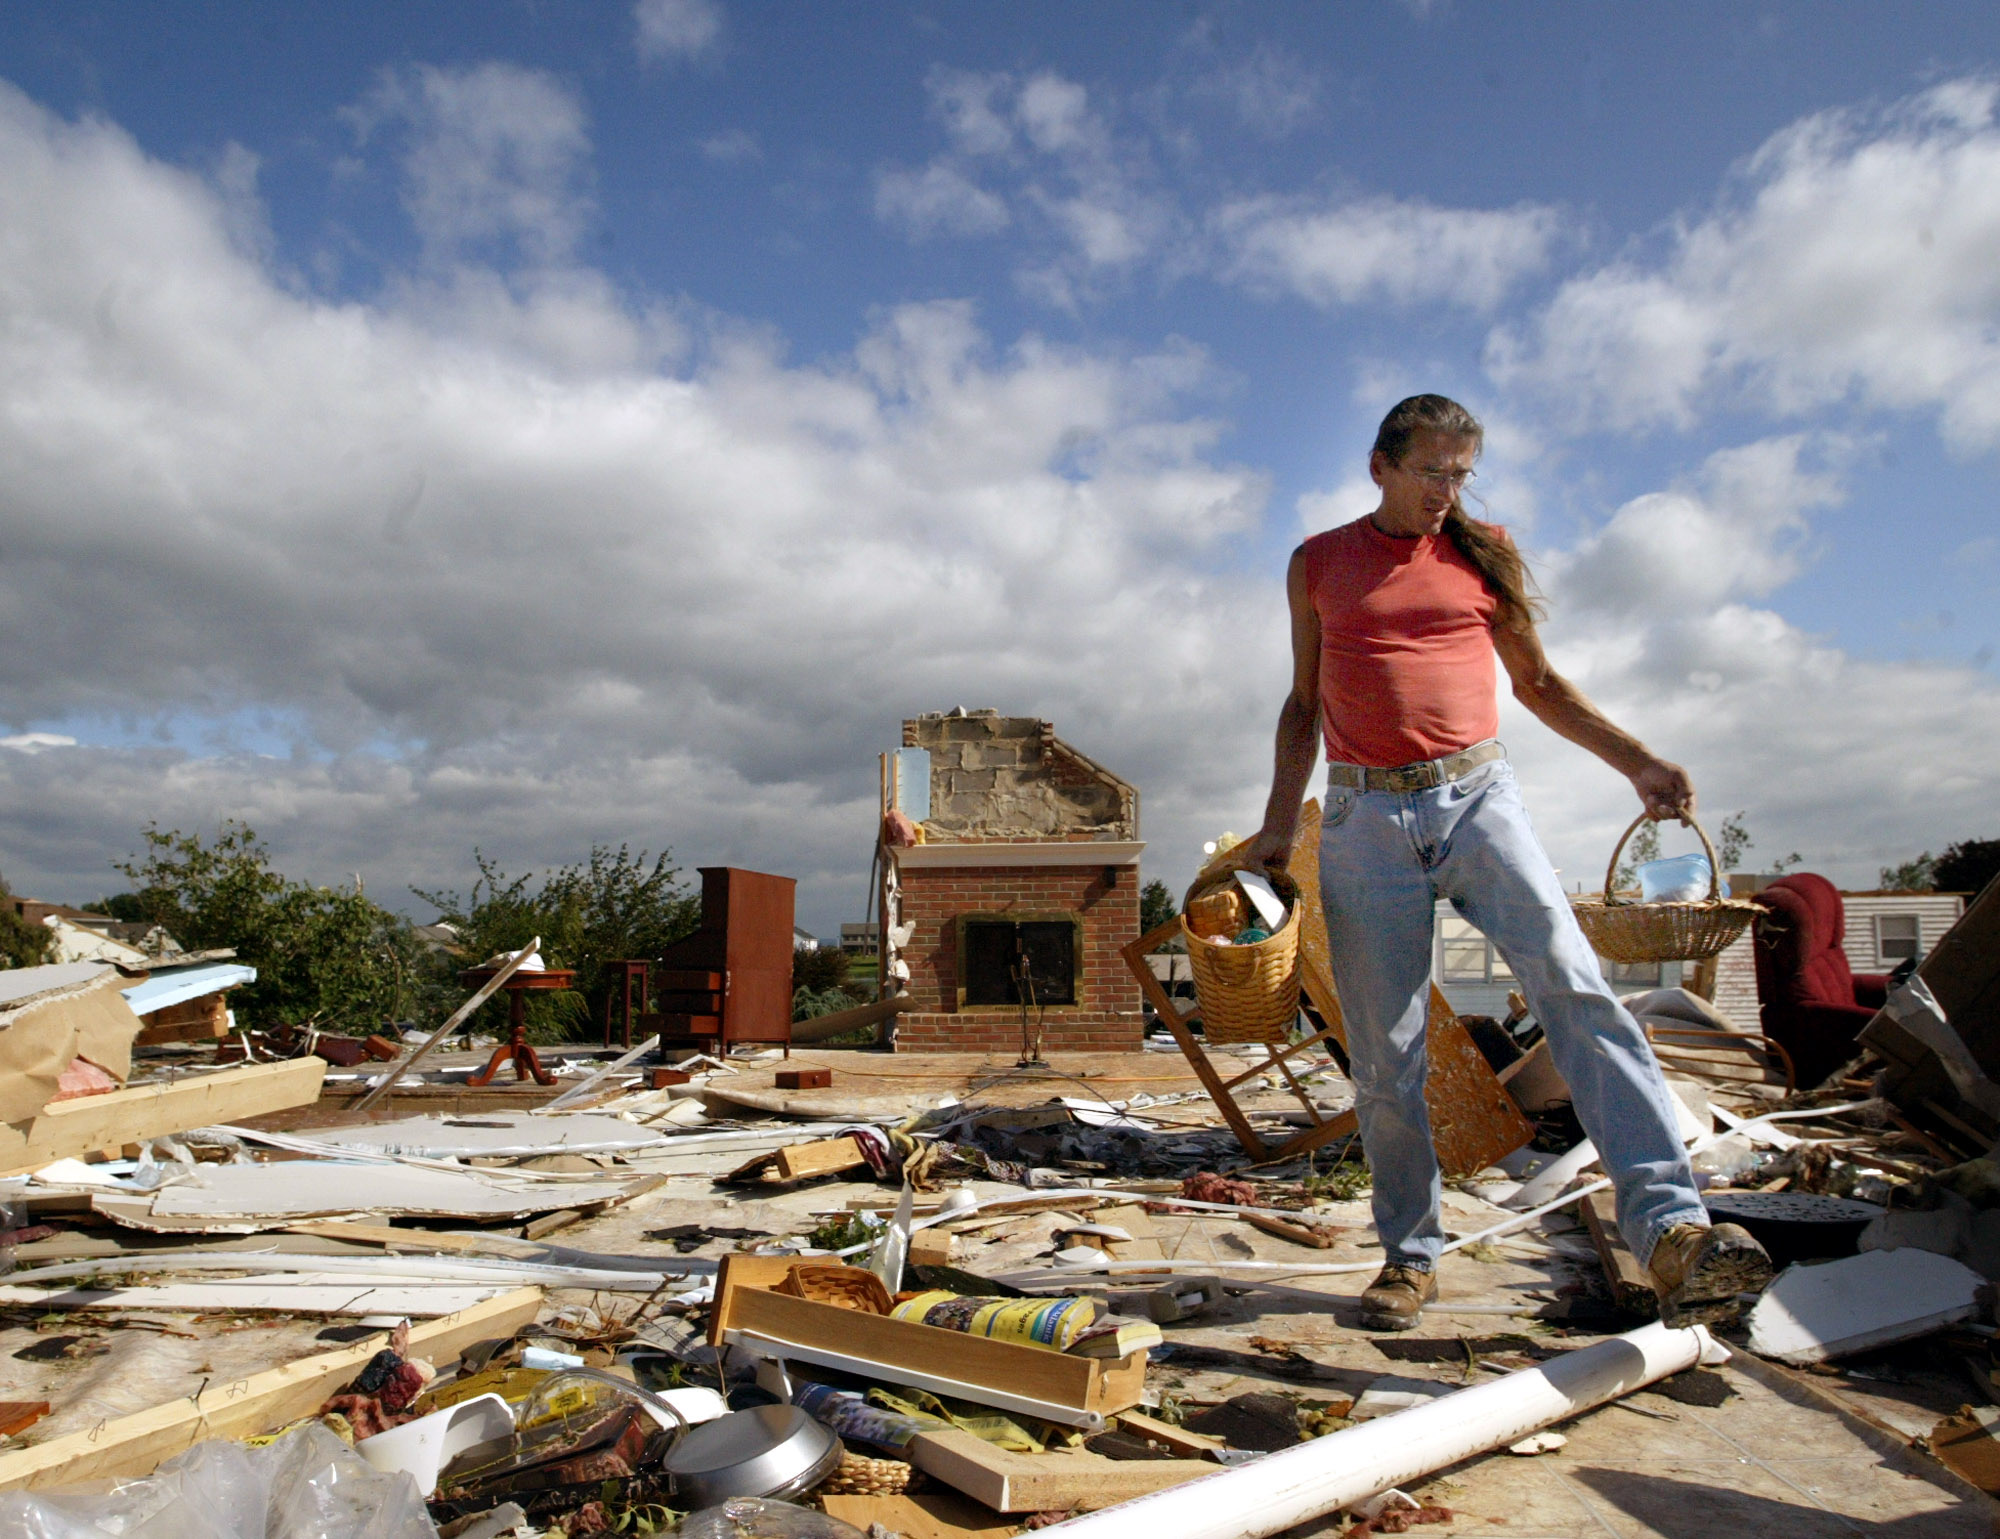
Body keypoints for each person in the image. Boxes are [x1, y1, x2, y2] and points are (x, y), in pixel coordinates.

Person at [1241, 394, 1771, 1331]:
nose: (1446, 490)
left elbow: (1539, 683)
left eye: (1461, 473)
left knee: (1577, 990)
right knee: (1387, 1054)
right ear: (1379, 466)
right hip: (1364, 817)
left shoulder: (1486, 553)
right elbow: (1302, 703)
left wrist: (1637, 761)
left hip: (1480, 799)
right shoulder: (1318, 562)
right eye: (1429, 471)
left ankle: (1673, 1230)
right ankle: (1410, 1258)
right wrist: (1279, 827)